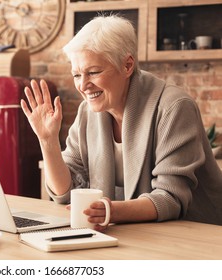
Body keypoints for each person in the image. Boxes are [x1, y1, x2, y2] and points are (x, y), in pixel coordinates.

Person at [20, 15, 222, 231]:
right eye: (77, 75)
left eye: (94, 72)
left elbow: (170, 198)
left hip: (198, 234)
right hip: (136, 233)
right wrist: (47, 140)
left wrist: (109, 212)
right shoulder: (87, 112)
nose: (83, 85)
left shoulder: (174, 107)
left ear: (127, 66)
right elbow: (67, 192)